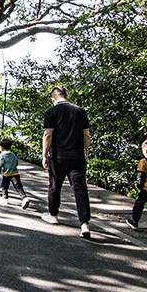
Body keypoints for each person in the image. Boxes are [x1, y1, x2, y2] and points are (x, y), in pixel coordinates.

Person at [40, 86, 93, 239]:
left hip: (58, 157)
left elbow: (48, 135)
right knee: (80, 189)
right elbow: (87, 135)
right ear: (65, 96)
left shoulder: (52, 112)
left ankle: (53, 214)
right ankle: (84, 224)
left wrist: (44, 155)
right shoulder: (80, 111)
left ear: (53, 98)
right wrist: (86, 152)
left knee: (54, 186)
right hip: (77, 156)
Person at [0, 139, 28, 205]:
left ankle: (5, 198)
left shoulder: (1, 156)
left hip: (7, 175)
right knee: (18, 186)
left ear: (1, 147)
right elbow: (16, 163)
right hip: (15, 174)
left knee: (4, 186)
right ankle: (24, 198)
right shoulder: (13, 155)